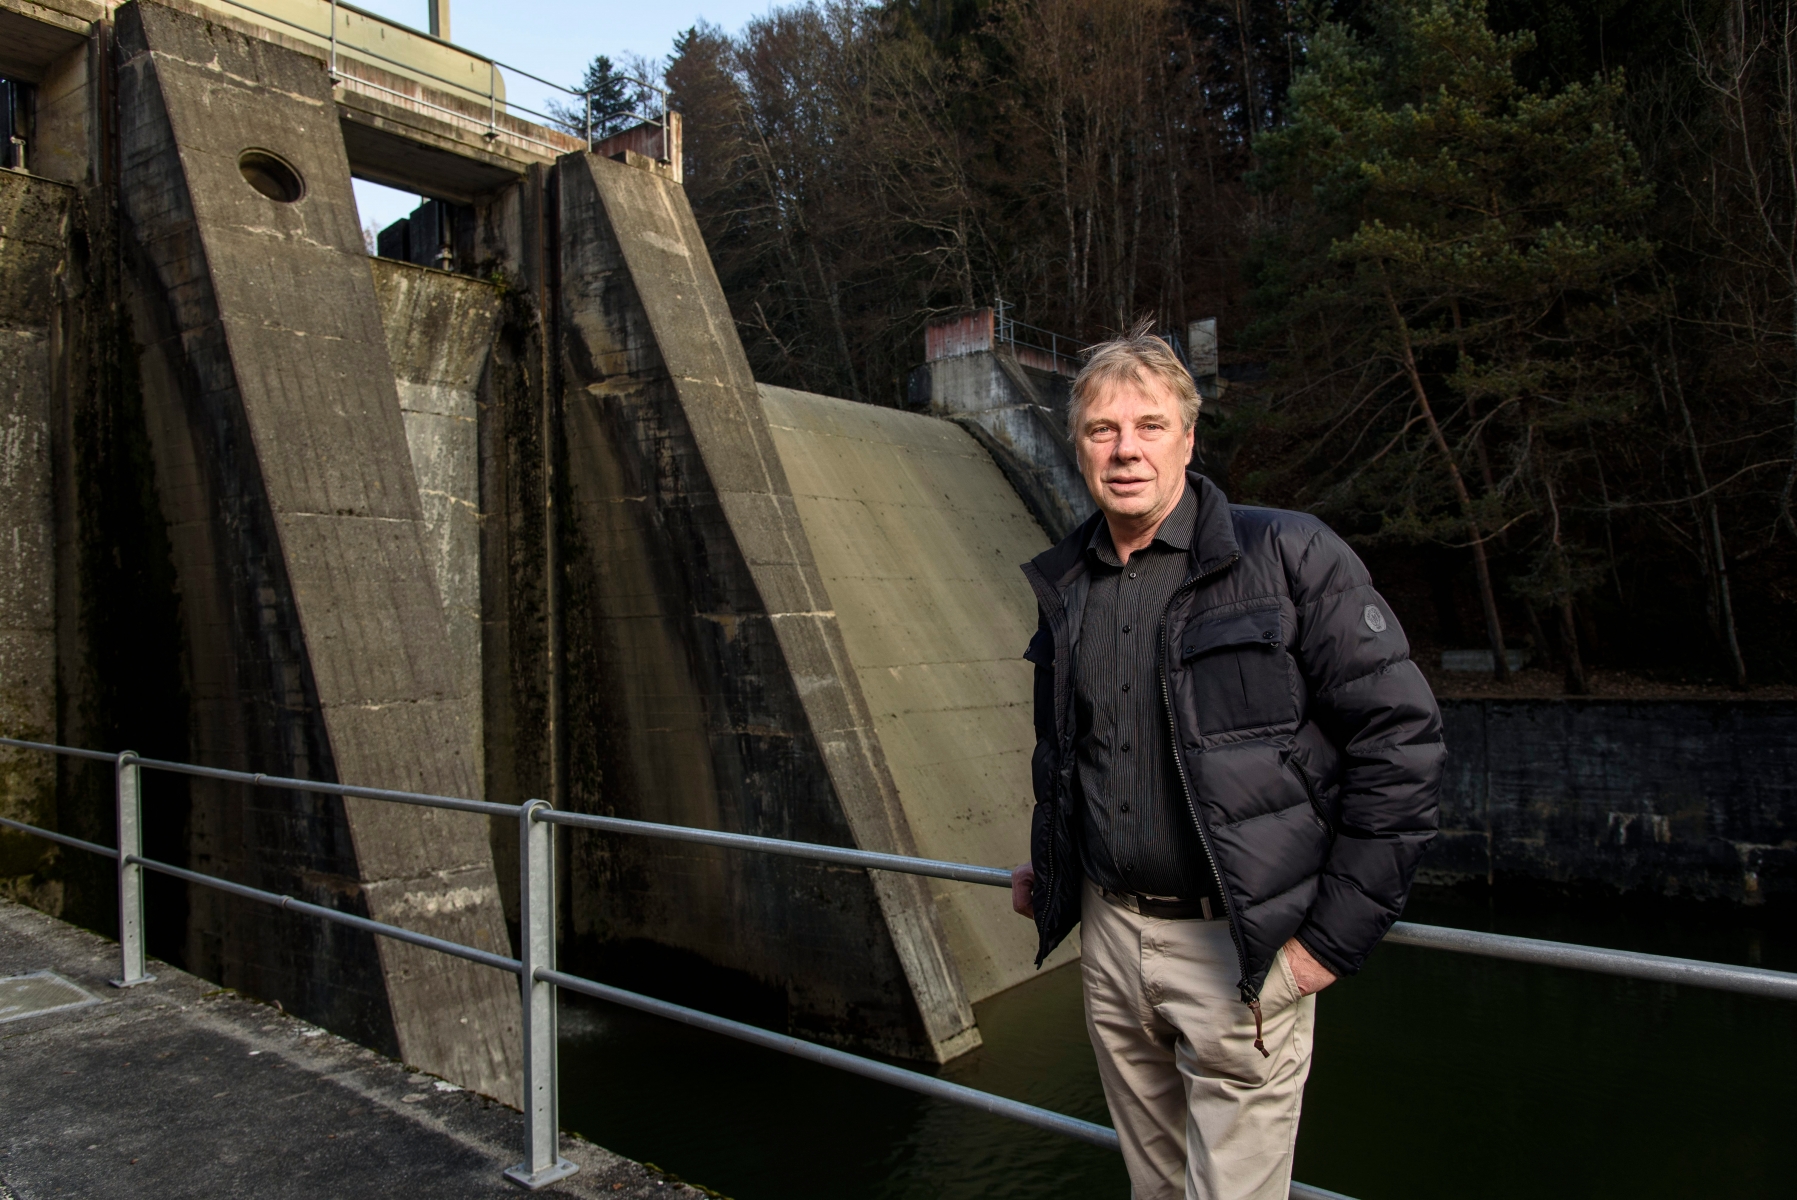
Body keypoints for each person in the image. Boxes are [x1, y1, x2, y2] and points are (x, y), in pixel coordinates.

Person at [1011, 322, 1443, 1200]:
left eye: (1148, 425)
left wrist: (1328, 944)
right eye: (1101, 430)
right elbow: (1081, 752)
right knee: (1155, 1190)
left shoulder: (1287, 554)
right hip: (1110, 938)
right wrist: (1054, 860)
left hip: (1241, 948)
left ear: (1188, 437)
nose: (1125, 449)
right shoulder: (1070, 586)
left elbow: (1401, 743)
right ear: (1080, 447)